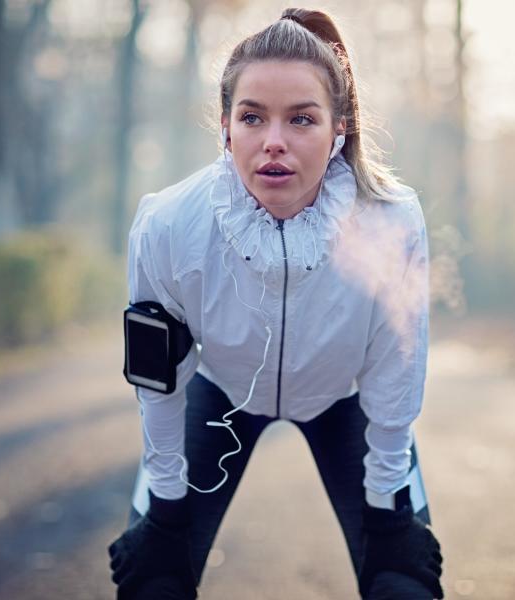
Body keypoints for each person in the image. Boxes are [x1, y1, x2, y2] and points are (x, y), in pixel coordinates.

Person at [107, 8, 444, 599]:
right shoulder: (165, 225)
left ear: (339, 127)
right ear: (225, 127)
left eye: (302, 119)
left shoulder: (392, 219)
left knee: (403, 583)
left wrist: (390, 517)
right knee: (154, 581)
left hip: (346, 400)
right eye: (253, 117)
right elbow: (159, 382)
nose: (275, 142)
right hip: (222, 394)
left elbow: (398, 370)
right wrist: (164, 509)